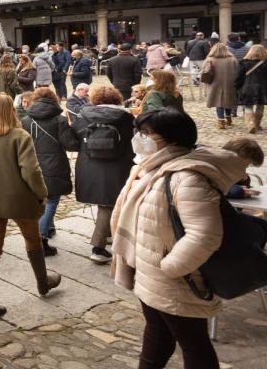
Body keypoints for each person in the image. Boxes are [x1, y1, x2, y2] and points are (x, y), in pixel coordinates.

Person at [110, 108, 251, 369]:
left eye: (147, 133)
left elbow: (205, 234)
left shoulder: (187, 177)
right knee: (157, 333)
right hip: (150, 274)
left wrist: (171, 267)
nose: (140, 137)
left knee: (193, 344)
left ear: (171, 139)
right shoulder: (153, 167)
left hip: (175, 280)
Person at [0, 94, 59, 318]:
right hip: (20, 200)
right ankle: (43, 283)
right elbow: (32, 171)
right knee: (33, 240)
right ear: (11, 111)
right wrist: (42, 193)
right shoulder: (19, 136)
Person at [71, 86, 134, 264]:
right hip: (118, 166)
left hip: (90, 166)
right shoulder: (126, 118)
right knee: (109, 204)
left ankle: (107, 235)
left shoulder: (82, 116)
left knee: (105, 203)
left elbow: (73, 140)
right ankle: (98, 248)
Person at [22, 87, 80, 256]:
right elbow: (70, 144)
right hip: (54, 165)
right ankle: (39, 240)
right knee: (52, 200)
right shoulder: (59, 120)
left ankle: (47, 230)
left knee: (40, 201)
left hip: (32, 165)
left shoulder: (25, 120)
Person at [203, 41, 239, 129]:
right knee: (227, 100)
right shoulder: (232, 59)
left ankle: (221, 121)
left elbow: (204, 71)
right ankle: (228, 118)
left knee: (218, 101)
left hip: (215, 83)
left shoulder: (210, 59)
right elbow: (238, 71)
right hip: (229, 82)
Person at [237, 44, 267, 133]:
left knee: (248, 106)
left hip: (247, 86)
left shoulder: (244, 63)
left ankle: (250, 123)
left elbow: (239, 77)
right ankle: (257, 124)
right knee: (260, 106)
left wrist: (237, 87)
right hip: (263, 88)